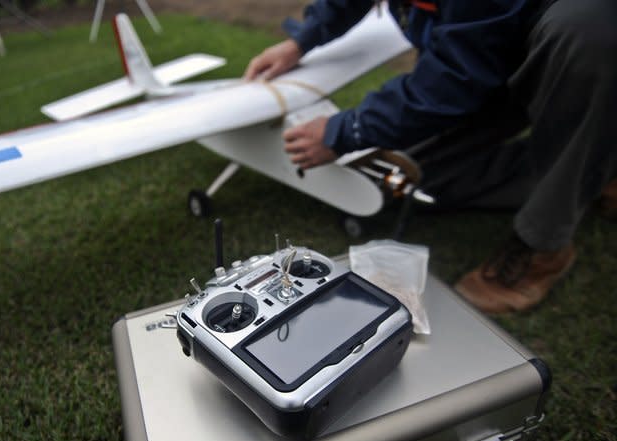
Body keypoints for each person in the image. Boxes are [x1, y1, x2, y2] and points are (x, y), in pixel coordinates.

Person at [244, 0, 617, 314]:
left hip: (572, 44)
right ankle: (600, 165)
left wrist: (347, 130)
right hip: (498, 43)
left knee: (587, 33)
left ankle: (545, 242)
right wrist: (301, 41)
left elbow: (456, 77)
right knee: (405, 177)